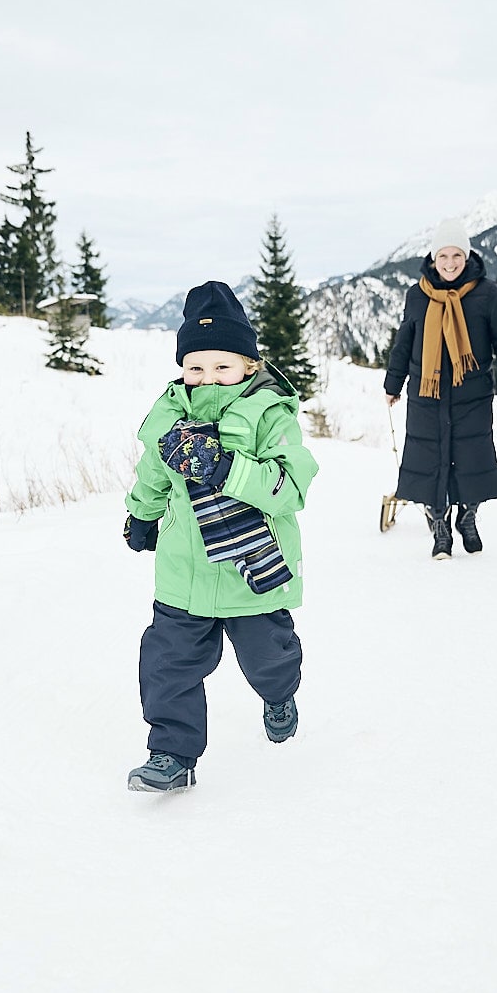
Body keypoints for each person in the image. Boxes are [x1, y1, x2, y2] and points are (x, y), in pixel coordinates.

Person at [122, 280, 320, 792]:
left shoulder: (270, 413)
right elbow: (154, 473)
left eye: (221, 366)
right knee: (168, 664)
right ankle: (171, 755)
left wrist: (226, 466)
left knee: (268, 659)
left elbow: (290, 488)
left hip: (250, 571)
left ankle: (280, 695)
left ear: (250, 366)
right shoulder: (170, 416)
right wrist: (142, 514)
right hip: (184, 574)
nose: (207, 378)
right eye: (196, 367)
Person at [383, 217, 497, 559]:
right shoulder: (417, 295)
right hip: (426, 395)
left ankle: (468, 516)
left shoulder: (488, 294)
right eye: (443, 256)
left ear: (467, 255)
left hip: (471, 393)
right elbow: (404, 342)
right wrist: (393, 383)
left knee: (472, 459)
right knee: (430, 461)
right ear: (433, 258)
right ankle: (440, 530)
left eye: (456, 256)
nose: (449, 264)